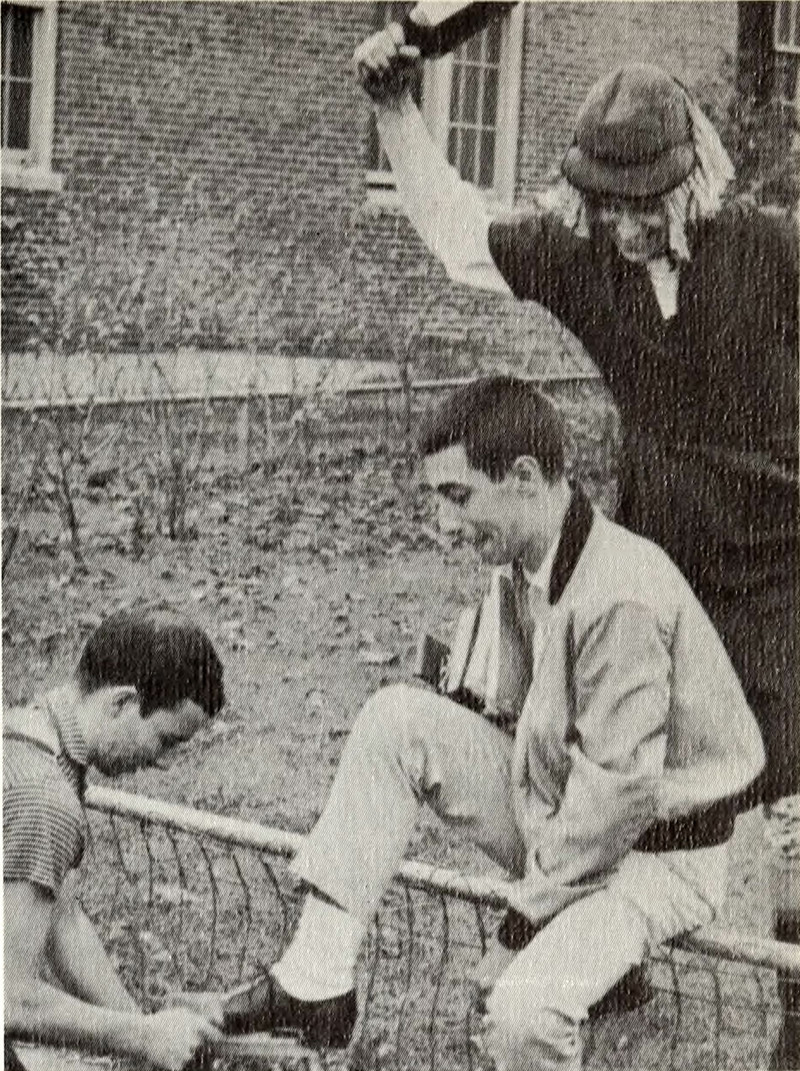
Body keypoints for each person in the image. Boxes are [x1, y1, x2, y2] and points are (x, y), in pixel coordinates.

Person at [353, 35, 799, 1067]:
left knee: (795, 806)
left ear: (693, 181)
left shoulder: (773, 254)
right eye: (609, 205)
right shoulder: (580, 257)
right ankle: (603, 959)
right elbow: (459, 237)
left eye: (648, 205)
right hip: (669, 575)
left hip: (789, 574)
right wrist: (396, 112)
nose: (629, 226)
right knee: (604, 766)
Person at [228, 376, 764, 1069]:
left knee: (520, 1015)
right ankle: (315, 984)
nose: (444, 524)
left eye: (458, 497)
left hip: (656, 854)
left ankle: (586, 952)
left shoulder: (619, 592)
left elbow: (617, 798)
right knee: (396, 719)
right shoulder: (528, 559)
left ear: (525, 477)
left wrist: (520, 928)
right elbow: (520, 717)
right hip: (566, 814)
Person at [4, 611, 227, 1071]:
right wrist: (141, 1037)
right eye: (165, 740)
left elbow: (63, 920)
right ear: (123, 702)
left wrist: (147, 1029)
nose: (162, 761)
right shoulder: (43, 796)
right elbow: (10, 997)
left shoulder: (30, 736)